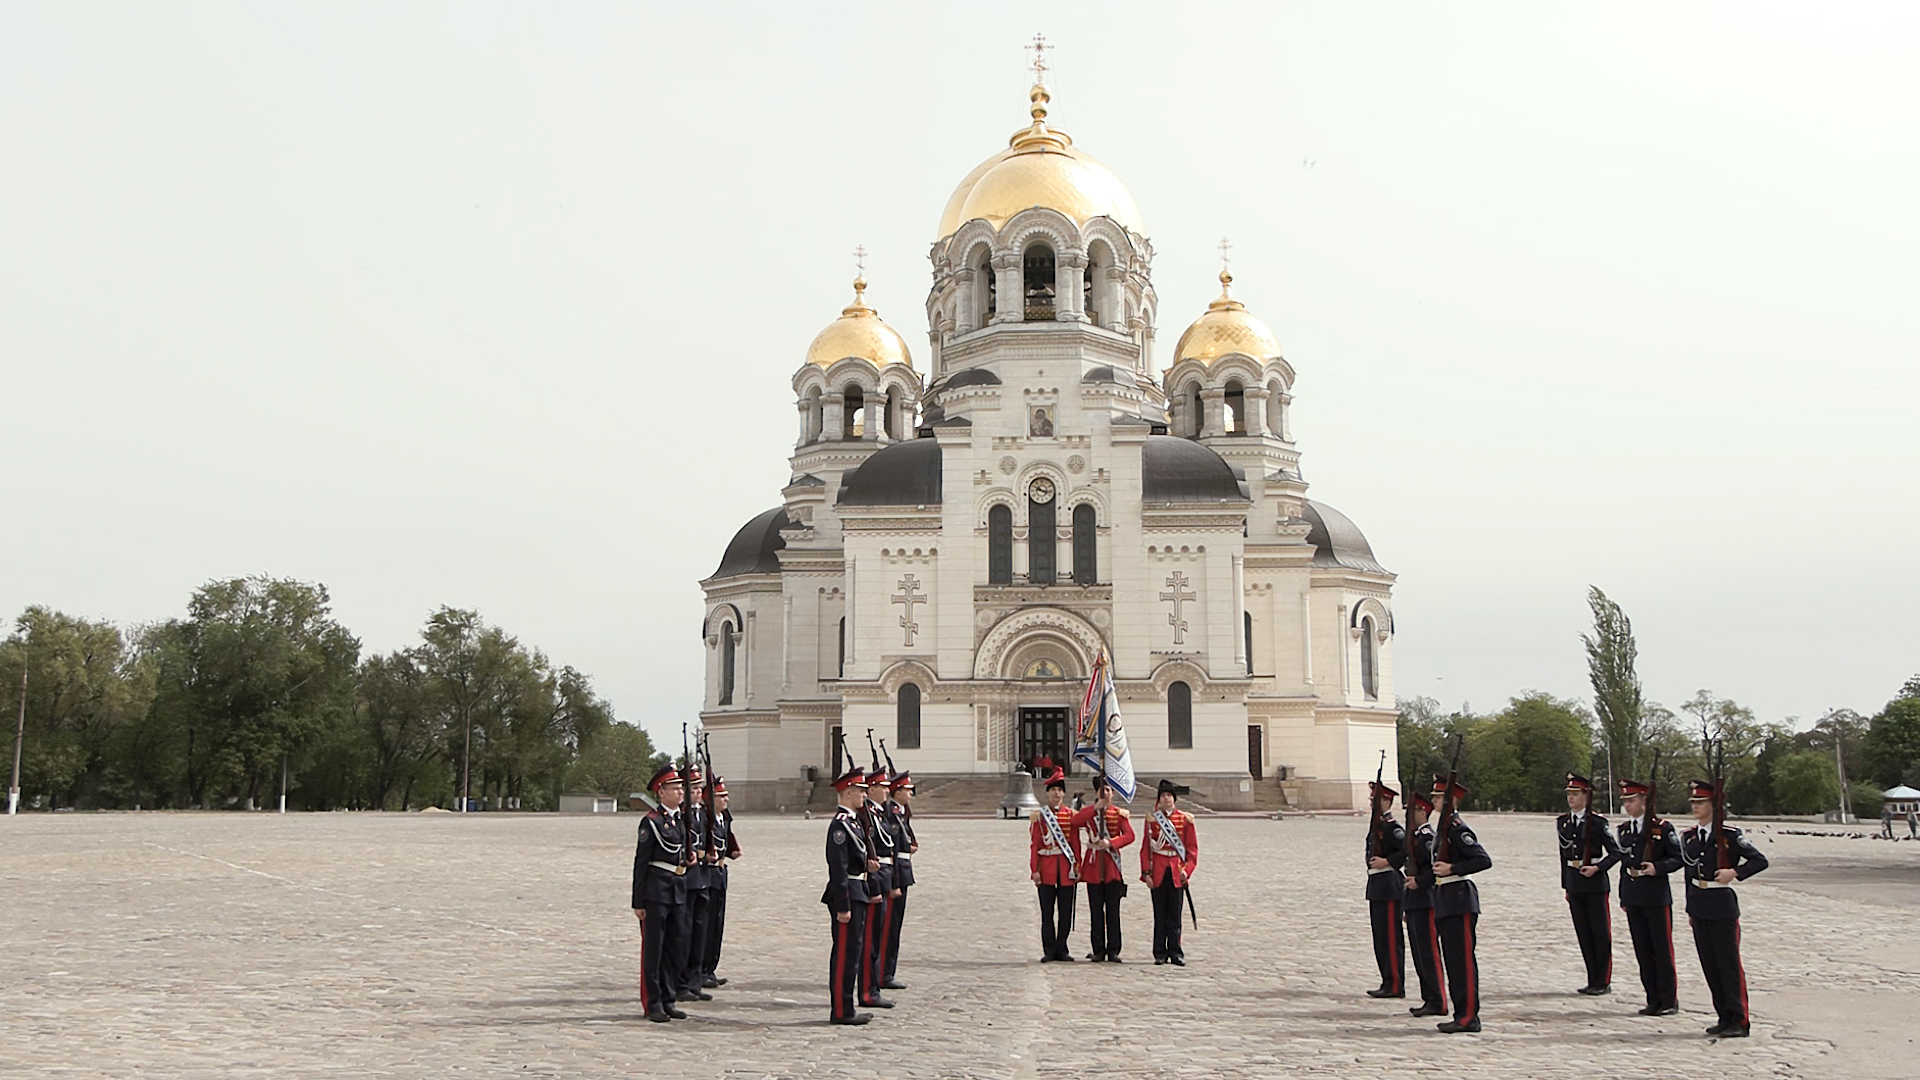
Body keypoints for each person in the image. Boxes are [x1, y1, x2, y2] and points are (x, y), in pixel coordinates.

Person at [1681, 779, 1769, 1038]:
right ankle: (1723, 1015)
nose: (1696, 807)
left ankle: (1739, 1019)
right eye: (1694, 803)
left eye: (1701, 802)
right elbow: (1689, 873)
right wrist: (1689, 908)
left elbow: (1759, 861)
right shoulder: (1690, 836)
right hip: (1699, 902)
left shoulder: (1729, 835)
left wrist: (1735, 872)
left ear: (1714, 805)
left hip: (1721, 904)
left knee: (1728, 965)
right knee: (1710, 964)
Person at [1614, 777, 1681, 1016]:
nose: (1628, 805)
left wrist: (1657, 868)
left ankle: (1668, 999)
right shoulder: (1624, 829)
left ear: (1645, 800)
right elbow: (1624, 863)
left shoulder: (1661, 829)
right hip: (1634, 895)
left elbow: (1678, 858)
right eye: (1625, 801)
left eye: (1632, 800)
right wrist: (1623, 895)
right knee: (1642, 950)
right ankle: (1652, 998)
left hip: (1655, 896)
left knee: (1661, 950)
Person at [1431, 774, 1491, 1033]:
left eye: (1438, 796)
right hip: (1445, 897)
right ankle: (1460, 1013)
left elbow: (1482, 859)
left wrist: (1453, 867)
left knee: (1463, 961)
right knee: (1453, 962)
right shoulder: (1443, 827)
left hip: (1459, 898)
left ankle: (1468, 1017)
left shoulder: (1457, 828)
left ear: (1451, 800)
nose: (1433, 800)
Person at [632, 765, 690, 1023]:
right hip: (656, 890)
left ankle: (669, 998)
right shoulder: (651, 822)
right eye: (675, 788)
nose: (681, 792)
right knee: (654, 949)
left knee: (674, 947)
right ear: (661, 792)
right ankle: (653, 1002)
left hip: (677, 887)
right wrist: (638, 900)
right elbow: (641, 863)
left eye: (681, 788)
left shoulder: (680, 820)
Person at [1558, 773, 1623, 996]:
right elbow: (1562, 857)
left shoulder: (1597, 822)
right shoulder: (1563, 822)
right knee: (1584, 933)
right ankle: (1591, 977)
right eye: (1569, 794)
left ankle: (1602, 979)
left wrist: (1598, 868)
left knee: (1600, 933)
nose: (1571, 798)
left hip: (1594, 882)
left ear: (1586, 795)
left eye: (1576, 794)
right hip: (1575, 882)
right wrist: (1566, 885)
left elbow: (1616, 853)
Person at [823, 761, 877, 1026]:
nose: (864, 796)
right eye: (861, 791)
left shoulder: (853, 825)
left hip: (859, 890)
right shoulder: (840, 827)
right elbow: (838, 869)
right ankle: (842, 1010)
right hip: (848, 895)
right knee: (845, 953)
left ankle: (846, 1006)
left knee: (853, 951)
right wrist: (843, 906)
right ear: (847, 793)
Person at [1071, 774, 1135, 962]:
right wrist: (1094, 809)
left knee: (1113, 912)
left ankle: (1114, 949)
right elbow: (1074, 823)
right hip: (1093, 867)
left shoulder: (1118, 814)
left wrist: (1111, 842)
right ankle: (1098, 949)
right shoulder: (1090, 812)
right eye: (1101, 790)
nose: (1105, 793)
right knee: (1096, 911)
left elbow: (1130, 835)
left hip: (1111, 867)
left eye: (1108, 790)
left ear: (1112, 793)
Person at [1140, 778, 1198, 966]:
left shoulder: (1184, 820)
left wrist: (1187, 872)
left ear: (1174, 799)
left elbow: (1191, 850)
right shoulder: (1152, 820)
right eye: (1163, 796)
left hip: (1176, 870)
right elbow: (1146, 848)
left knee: (1175, 915)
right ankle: (1159, 952)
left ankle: (1175, 951)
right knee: (1159, 915)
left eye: (1169, 796)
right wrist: (1146, 873)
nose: (1166, 799)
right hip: (1157, 870)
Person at [1401, 789, 1447, 1018]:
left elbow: (1432, 871)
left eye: (1411, 811)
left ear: (1422, 812)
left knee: (1429, 953)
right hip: (1414, 900)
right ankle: (1428, 997)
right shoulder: (1416, 837)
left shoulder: (1427, 837)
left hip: (1426, 900)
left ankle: (1437, 999)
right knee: (1419, 954)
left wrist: (1419, 882)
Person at [1029, 762, 1081, 962]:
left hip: (1066, 869)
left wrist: (1077, 867)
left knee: (1065, 912)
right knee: (1047, 912)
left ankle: (1062, 947)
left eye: (1060, 790)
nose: (1057, 794)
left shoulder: (1071, 815)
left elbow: (1075, 844)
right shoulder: (1040, 816)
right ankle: (1049, 949)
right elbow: (1035, 845)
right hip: (1047, 868)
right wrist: (1035, 869)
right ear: (1048, 793)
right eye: (1053, 790)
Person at [859, 763, 899, 1010]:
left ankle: (873, 986)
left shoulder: (879, 814)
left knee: (878, 936)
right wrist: (874, 888)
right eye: (883, 787)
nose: (887, 791)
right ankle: (868, 990)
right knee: (871, 940)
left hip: (884, 877)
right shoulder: (867, 817)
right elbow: (868, 855)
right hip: (875, 880)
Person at [1364, 780, 1408, 999]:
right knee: (1380, 937)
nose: (1372, 802)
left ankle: (1395, 983)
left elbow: (1405, 852)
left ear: (1386, 801)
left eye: (1375, 799)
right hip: (1377, 886)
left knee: (1391, 937)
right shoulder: (1378, 825)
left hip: (1390, 885)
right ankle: (1387, 979)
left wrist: (1388, 862)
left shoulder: (1392, 827)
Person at [699, 777, 743, 990]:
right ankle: (700, 970)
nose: (726, 800)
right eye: (721, 796)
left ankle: (710, 967)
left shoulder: (723, 818)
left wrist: (732, 851)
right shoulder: (705, 819)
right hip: (707, 873)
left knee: (717, 925)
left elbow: (727, 837)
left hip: (720, 872)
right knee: (705, 925)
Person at [675, 766, 714, 1003]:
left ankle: (695, 979)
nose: (698, 792)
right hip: (687, 878)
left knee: (700, 932)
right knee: (684, 933)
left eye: (700, 788)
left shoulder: (701, 813)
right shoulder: (681, 815)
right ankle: (680, 982)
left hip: (702, 877)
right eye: (694, 788)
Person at [882, 770, 917, 989]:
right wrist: (894, 883)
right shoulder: (892, 813)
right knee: (889, 927)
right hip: (896, 873)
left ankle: (888, 971)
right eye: (907, 789)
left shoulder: (901, 812)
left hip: (903, 871)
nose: (911, 793)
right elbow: (892, 850)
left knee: (895, 926)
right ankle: (884, 973)